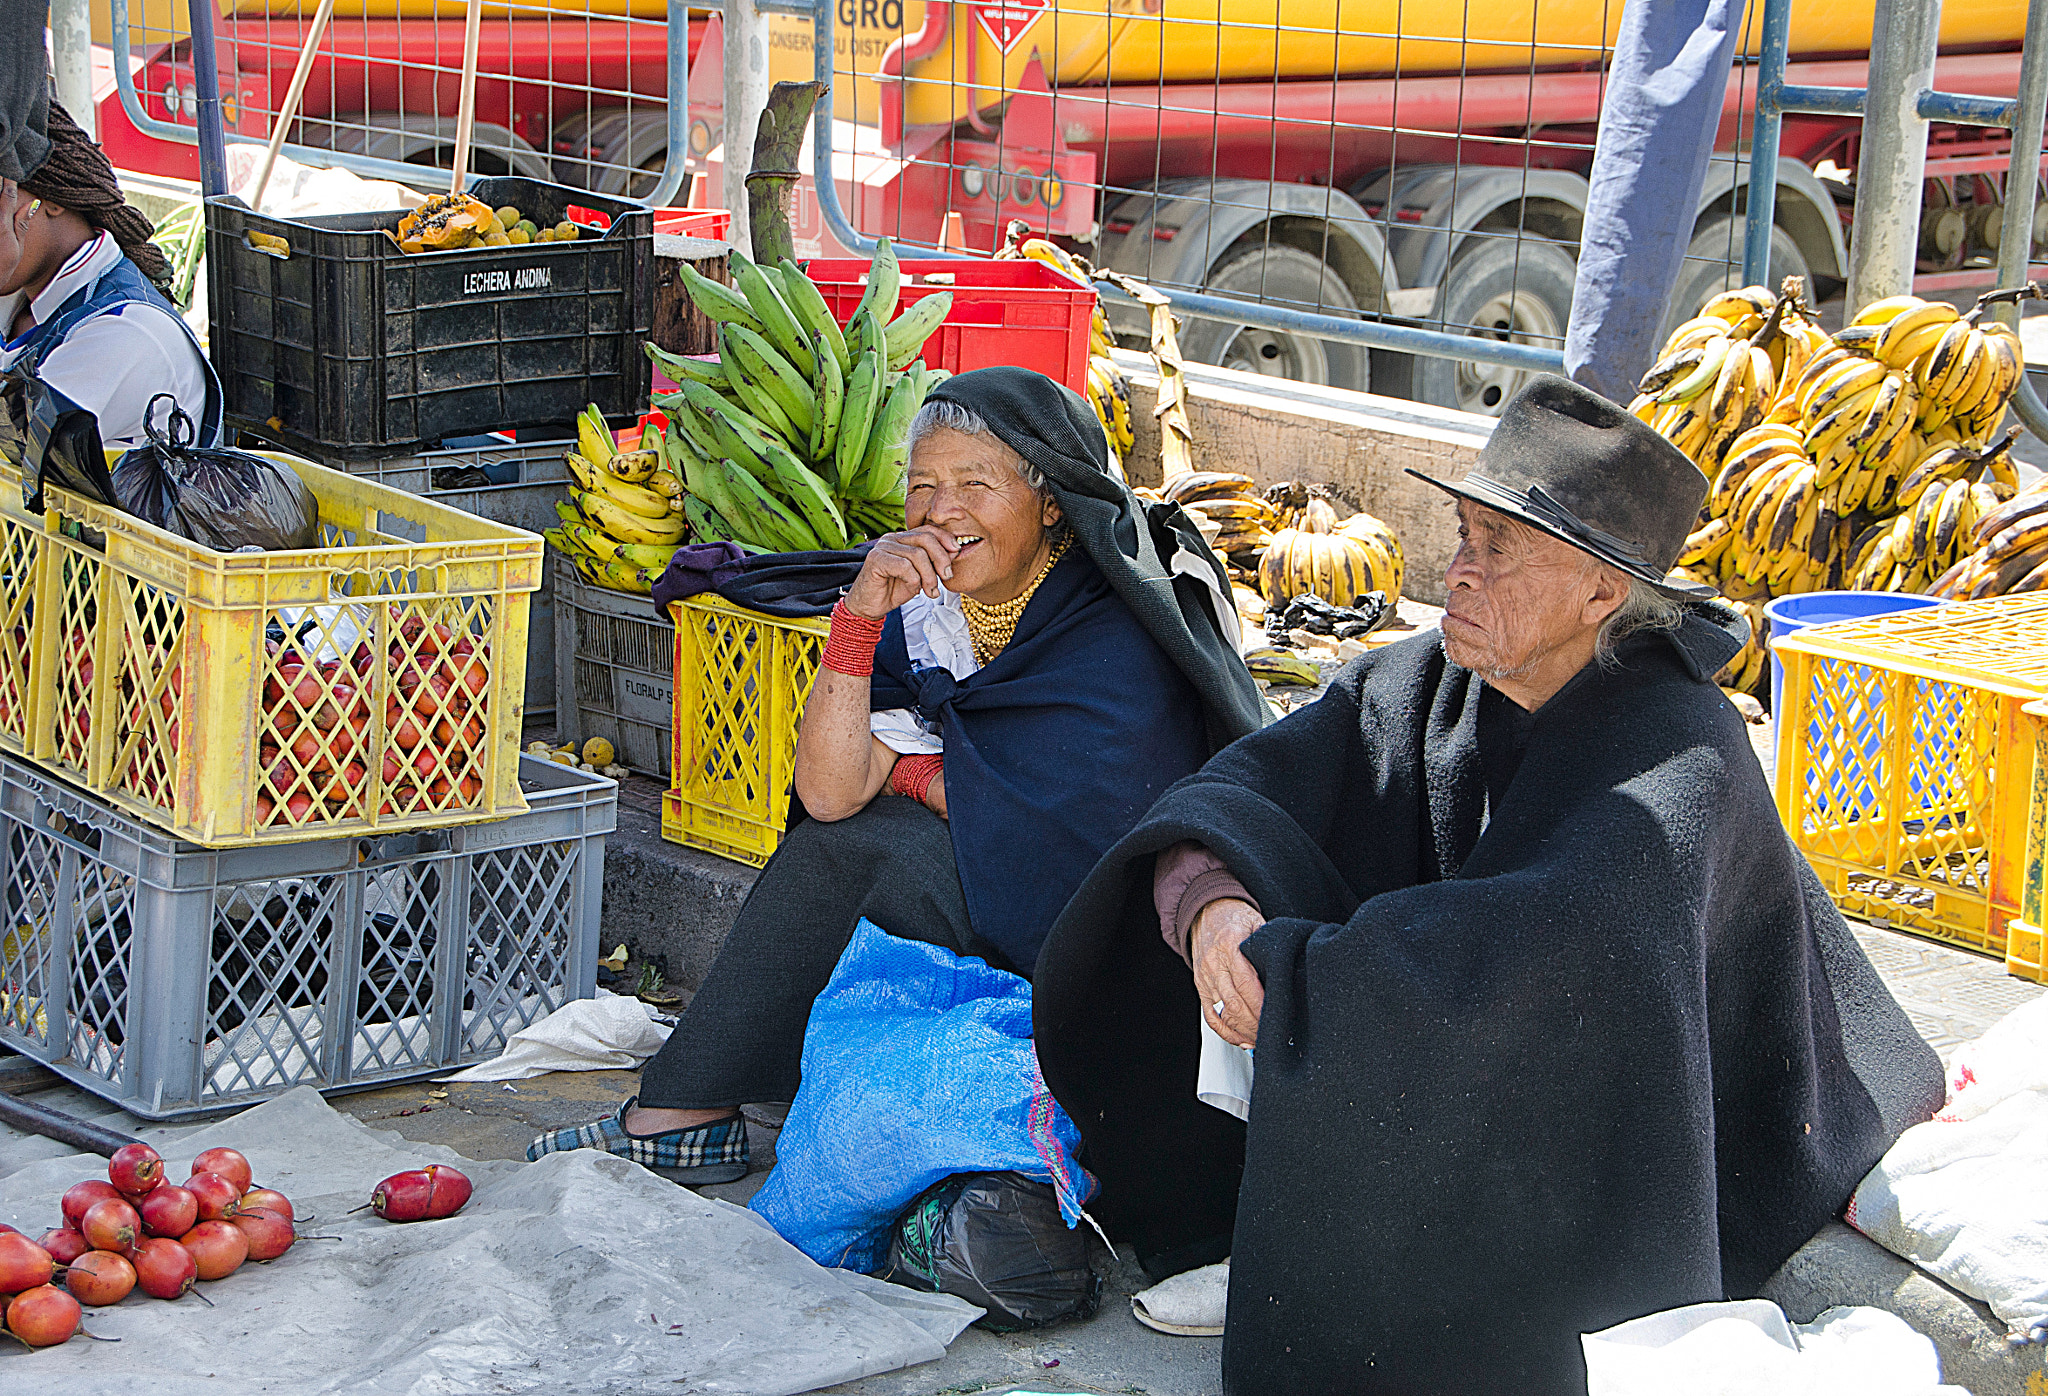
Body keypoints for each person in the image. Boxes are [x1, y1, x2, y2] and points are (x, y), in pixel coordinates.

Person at [1033, 375, 1945, 1395]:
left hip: (1685, 1123)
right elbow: (1253, 779)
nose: (1454, 573)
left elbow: (1516, 963)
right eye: (1461, 534)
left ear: (1601, 590)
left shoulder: (1678, 760)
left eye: (1494, 549)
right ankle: (1273, 1223)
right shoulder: (1453, 672)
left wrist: (1284, 971)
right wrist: (1209, 903)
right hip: (1492, 1035)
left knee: (1387, 999)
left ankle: (1323, 1256)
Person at [530, 365, 1267, 1182]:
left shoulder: (1114, 632)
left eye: (974, 484)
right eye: (923, 484)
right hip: (999, 887)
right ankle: (697, 1101)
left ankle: (687, 1108)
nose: (941, 511)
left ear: (1052, 502)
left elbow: (1079, 826)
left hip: (1102, 946)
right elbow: (831, 789)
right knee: (850, 838)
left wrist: (923, 779)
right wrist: (857, 619)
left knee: (868, 850)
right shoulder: (924, 606)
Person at [0, 97, 220, 455]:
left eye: (1, 192)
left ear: (53, 200)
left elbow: (20, 454)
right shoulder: (25, 293)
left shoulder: (120, 332)